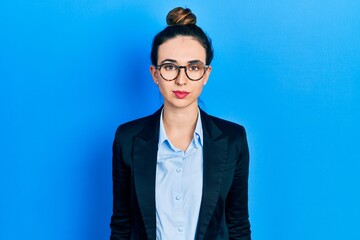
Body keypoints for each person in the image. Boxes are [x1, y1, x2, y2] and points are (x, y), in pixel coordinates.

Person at [110, 7, 251, 240]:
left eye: (193, 67)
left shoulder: (233, 139)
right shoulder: (127, 139)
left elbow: (237, 225)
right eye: (170, 67)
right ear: (155, 74)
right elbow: (122, 226)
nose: (181, 79)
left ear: (206, 74)